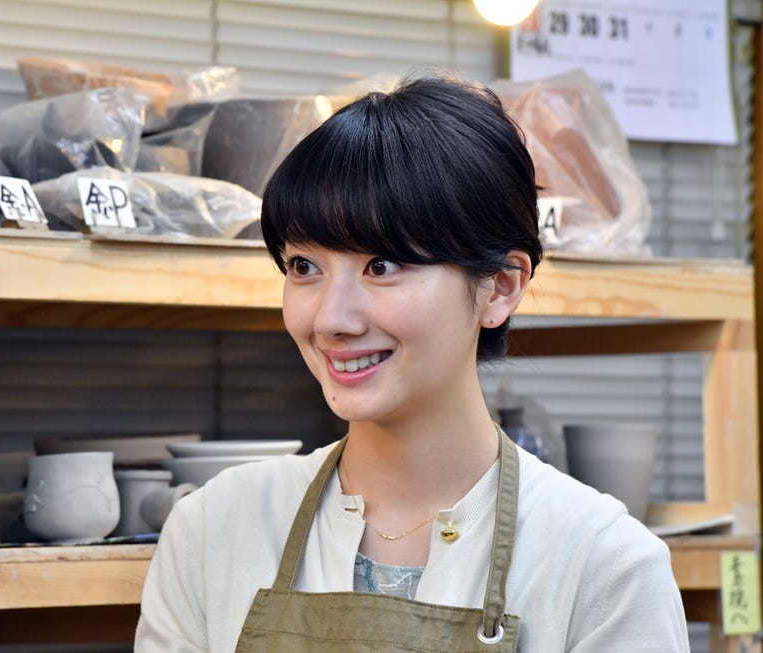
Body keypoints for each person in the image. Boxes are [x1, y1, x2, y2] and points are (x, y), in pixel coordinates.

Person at [135, 72, 689, 652]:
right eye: (304, 266)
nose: (331, 320)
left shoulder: (604, 567)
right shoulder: (213, 530)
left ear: (499, 287)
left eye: (382, 265)